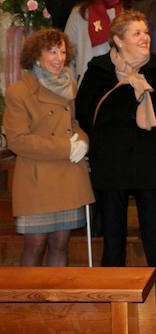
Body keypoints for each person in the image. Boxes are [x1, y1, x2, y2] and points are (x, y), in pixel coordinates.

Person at [75, 11, 156, 328]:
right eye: (136, 33)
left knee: (155, 236)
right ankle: (112, 298)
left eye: (145, 31)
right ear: (118, 40)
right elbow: (84, 114)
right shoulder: (98, 71)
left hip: (151, 162)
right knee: (113, 237)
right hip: (111, 163)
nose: (144, 37)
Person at [3, 29, 93, 267]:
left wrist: (83, 141)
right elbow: (18, 140)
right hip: (37, 178)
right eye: (52, 51)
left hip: (67, 176)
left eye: (63, 52)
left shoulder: (68, 86)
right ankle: (28, 302)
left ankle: (57, 300)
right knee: (35, 245)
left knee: (60, 244)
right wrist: (66, 147)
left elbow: (72, 124)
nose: (59, 57)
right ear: (36, 56)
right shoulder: (19, 92)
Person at [65, 0, 131, 83]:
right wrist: (72, 85)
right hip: (87, 82)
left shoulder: (129, 13)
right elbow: (68, 53)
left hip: (122, 83)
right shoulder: (79, 13)